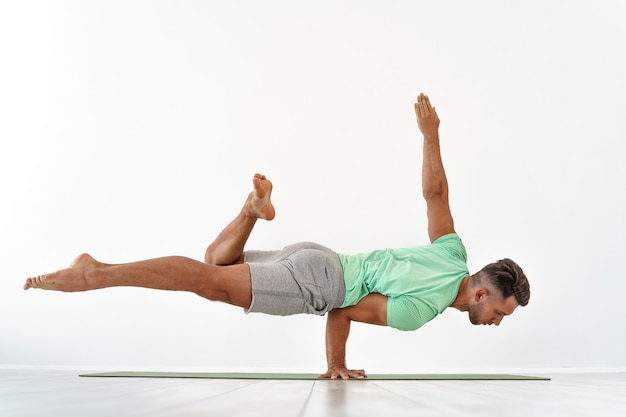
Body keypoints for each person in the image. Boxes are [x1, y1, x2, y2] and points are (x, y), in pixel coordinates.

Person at [23, 93, 530, 380]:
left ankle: (250, 210)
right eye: (499, 313)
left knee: (215, 264)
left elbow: (435, 195)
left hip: (320, 255)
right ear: (482, 293)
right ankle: (96, 272)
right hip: (321, 283)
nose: (495, 322)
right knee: (207, 282)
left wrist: (430, 135)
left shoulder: (453, 252)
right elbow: (342, 309)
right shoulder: (422, 309)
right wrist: (337, 364)